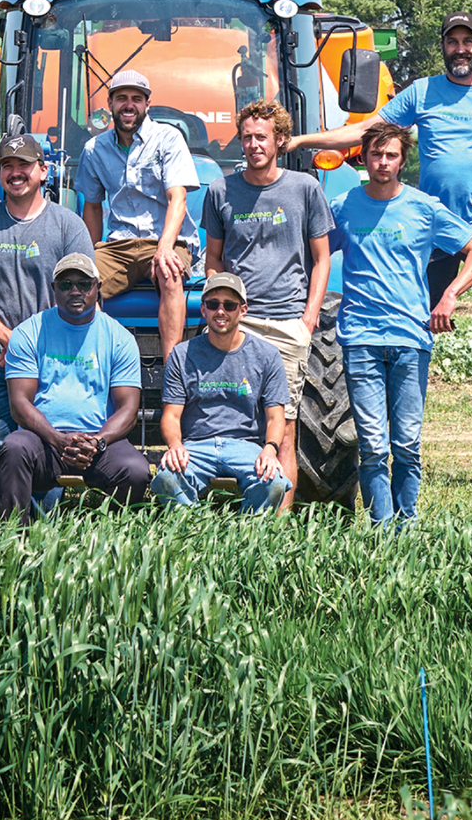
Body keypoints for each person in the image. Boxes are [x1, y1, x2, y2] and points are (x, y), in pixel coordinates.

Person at [296, 12, 472, 319]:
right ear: (443, 46)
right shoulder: (422, 92)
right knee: (415, 316)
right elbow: (364, 130)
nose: (460, 48)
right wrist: (300, 141)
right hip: (433, 223)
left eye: (467, 41)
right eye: (452, 42)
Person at [324, 122, 472, 525]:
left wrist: (450, 294)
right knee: (373, 446)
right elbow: (316, 256)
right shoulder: (342, 207)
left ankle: (405, 528)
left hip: (411, 338)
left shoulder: (424, 208)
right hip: (360, 338)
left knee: (407, 444)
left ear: (403, 161)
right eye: (376, 154)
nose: (383, 162)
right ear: (364, 157)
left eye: (391, 155)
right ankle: (381, 530)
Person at [0, 133, 96, 518]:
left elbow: (81, 296)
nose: (16, 173)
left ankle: (37, 538)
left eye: (24, 166)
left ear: (43, 171)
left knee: (43, 450)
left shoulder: (69, 227)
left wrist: (33, 348)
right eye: (7, 167)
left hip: (52, 365)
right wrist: (8, 339)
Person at [0, 255, 152, 518]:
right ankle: (14, 542)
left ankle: (113, 541)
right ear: (53, 289)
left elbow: (128, 408)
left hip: (99, 443)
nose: (75, 291)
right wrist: (57, 439)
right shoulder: (28, 332)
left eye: (84, 284)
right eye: (66, 285)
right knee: (14, 449)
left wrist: (98, 442)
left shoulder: (119, 338)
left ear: (98, 288)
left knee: (135, 470)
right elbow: (19, 405)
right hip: (44, 441)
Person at [199, 100, 334, 389]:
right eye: (247, 137)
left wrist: (308, 318)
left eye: (261, 137)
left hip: (289, 321)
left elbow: (322, 259)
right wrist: (223, 306)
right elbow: (213, 258)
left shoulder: (305, 189)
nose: (253, 145)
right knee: (234, 413)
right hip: (240, 322)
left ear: (280, 139)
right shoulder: (220, 191)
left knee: (284, 417)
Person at [151, 270, 293, 514]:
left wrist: (270, 449)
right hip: (196, 446)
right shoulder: (182, 355)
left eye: (229, 305)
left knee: (275, 484)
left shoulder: (266, 355)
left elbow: (275, 417)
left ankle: (245, 536)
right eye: (213, 304)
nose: (220, 311)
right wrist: (175, 445)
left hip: (246, 446)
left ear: (243, 310)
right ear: (203, 309)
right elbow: (171, 416)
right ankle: (193, 532)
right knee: (166, 478)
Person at [77, 68, 197, 342]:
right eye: (121, 98)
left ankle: (173, 372)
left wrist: (165, 247)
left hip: (166, 240)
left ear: (147, 104)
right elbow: (93, 207)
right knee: (77, 279)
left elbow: (177, 197)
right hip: (120, 245)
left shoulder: (168, 139)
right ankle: (97, 364)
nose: (128, 105)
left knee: (169, 272)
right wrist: (86, 254)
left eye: (136, 98)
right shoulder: (94, 149)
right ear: (110, 104)